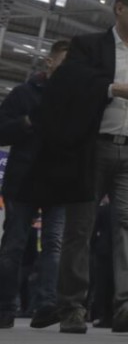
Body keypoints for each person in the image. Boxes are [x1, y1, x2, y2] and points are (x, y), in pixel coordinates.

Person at [32, 0, 128, 335]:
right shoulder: (88, 46)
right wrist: (113, 89)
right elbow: (69, 83)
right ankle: (72, 307)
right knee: (80, 227)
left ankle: (127, 305)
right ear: (119, 9)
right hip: (94, 148)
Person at [0, 40, 70, 329]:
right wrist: (27, 122)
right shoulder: (23, 94)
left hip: (58, 182)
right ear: (49, 62)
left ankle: (46, 306)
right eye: (64, 62)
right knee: (13, 245)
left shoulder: (75, 100)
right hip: (22, 180)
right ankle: (5, 307)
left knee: (54, 245)